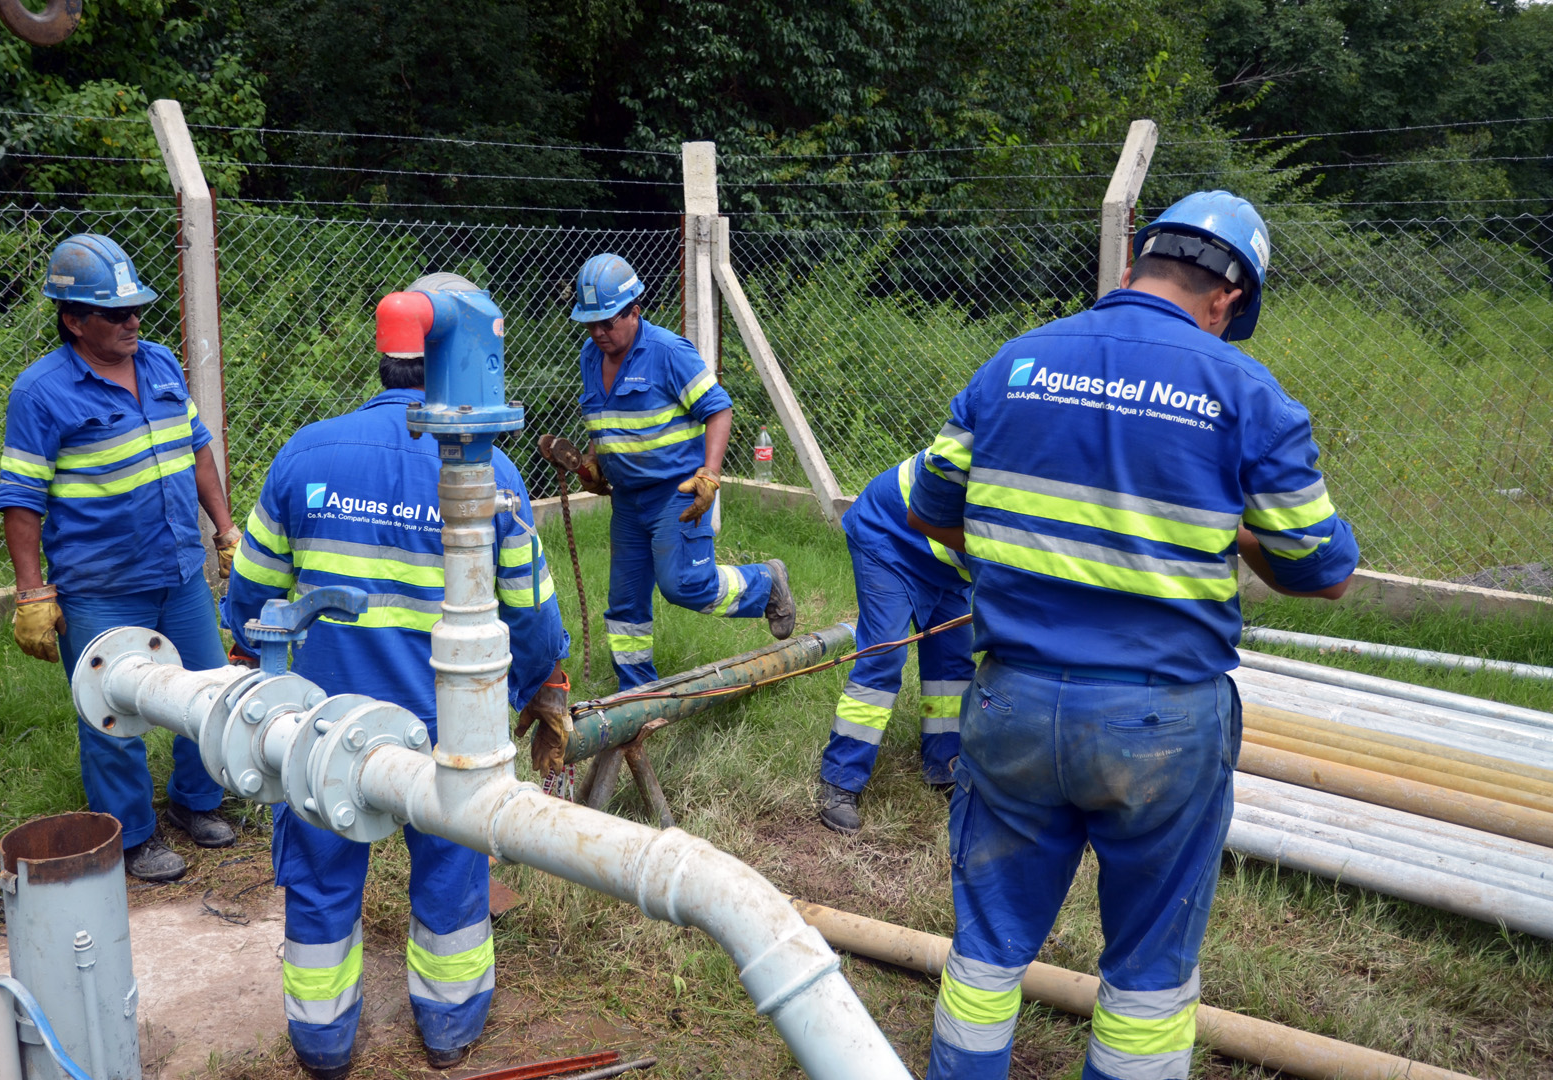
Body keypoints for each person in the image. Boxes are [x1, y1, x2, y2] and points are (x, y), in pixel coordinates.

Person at [906, 191, 1358, 1080]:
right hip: (1162, 723)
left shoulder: (1015, 362)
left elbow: (933, 510)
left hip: (1012, 701)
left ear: (1132, 267)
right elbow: (1324, 568)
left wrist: (1031, 561)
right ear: (1229, 300)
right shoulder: (1244, 391)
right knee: (1149, 975)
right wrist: (1219, 531)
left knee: (987, 951)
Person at [223, 274, 570, 1079]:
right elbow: (536, 621)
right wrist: (532, 690)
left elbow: (247, 605)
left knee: (316, 881)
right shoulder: (495, 474)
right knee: (451, 878)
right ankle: (448, 1032)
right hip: (449, 733)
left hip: (319, 730)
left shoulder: (304, 455)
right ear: (463, 362)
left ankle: (322, 1045)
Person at [0, 232, 242, 883]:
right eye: (117, 313)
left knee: (205, 692)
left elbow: (198, 451)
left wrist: (224, 531)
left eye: (138, 309)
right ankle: (131, 837)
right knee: (112, 714)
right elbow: (20, 497)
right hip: (100, 586)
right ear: (75, 321)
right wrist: (31, 593)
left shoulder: (161, 364)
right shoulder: (41, 393)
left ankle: (198, 803)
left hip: (180, 572)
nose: (134, 321)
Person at [566, 252, 795, 691]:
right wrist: (596, 462)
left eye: (607, 322)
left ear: (635, 311)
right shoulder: (590, 356)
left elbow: (719, 409)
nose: (597, 333)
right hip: (628, 499)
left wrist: (709, 476)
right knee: (625, 603)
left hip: (676, 492)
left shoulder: (669, 352)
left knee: (684, 584)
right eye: (589, 324)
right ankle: (637, 695)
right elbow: (603, 417)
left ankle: (765, 583)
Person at [818, 451, 973, 834]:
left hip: (947, 563)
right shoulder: (1001, 439)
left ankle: (945, 764)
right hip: (891, 535)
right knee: (884, 656)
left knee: (954, 661)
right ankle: (840, 778)